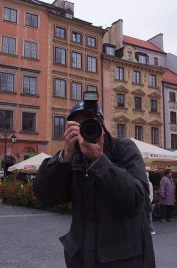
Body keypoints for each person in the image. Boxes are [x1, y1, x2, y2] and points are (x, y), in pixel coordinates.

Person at [34, 99, 155, 267]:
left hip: (124, 260)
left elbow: (136, 200)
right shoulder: (73, 158)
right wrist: (64, 156)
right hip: (81, 259)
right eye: (79, 126)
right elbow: (45, 195)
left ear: (102, 127)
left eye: (91, 124)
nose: (87, 130)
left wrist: (100, 162)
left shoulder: (124, 149)